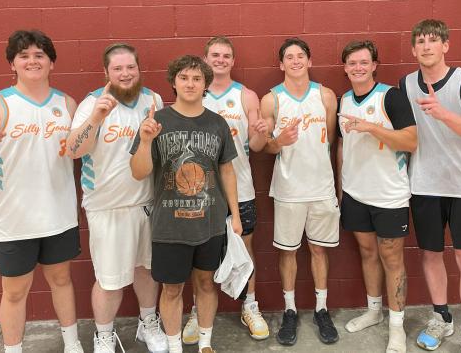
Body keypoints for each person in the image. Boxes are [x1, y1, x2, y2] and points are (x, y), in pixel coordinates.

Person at [0, 30, 83, 353]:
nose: (32, 61)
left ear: (51, 63)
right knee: (15, 291)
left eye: (39, 55)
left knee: (61, 281)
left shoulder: (66, 104)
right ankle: (12, 349)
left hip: (60, 215)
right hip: (15, 220)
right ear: (12, 64)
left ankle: (72, 345)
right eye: (24, 55)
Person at [130, 55, 242, 353]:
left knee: (206, 284)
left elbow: (227, 170)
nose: (190, 83)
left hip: (210, 221)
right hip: (169, 224)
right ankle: (173, 345)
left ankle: (205, 343)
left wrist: (235, 214)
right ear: (174, 82)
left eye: (196, 79)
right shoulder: (156, 122)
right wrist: (144, 142)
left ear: (206, 84)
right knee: (172, 288)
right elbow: (138, 172)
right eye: (184, 78)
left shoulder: (217, 123)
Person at [399, 19, 461, 353]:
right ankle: (441, 318)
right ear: (413, 49)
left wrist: (443, 114)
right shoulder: (407, 83)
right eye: (420, 42)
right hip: (424, 184)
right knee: (431, 254)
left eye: (433, 40)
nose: (426, 46)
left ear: (446, 45)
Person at [66, 43, 167, 353]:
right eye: (118, 68)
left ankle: (148, 323)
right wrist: (96, 117)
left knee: (147, 271)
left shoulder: (153, 99)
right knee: (110, 281)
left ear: (139, 68)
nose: (125, 74)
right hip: (106, 205)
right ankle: (104, 334)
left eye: (130, 67)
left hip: (145, 203)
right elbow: (73, 150)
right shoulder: (92, 103)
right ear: (106, 72)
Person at [179, 36, 269, 344]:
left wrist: (260, 133)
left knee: (245, 249)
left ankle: (250, 306)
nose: (220, 59)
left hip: (240, 189)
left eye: (226, 55)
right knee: (198, 255)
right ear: (205, 59)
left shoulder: (246, 96)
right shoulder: (192, 94)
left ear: (233, 61)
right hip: (199, 194)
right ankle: (196, 311)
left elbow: (256, 146)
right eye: (215, 55)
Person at [336, 40, 417, 353]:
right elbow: (342, 146)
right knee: (367, 253)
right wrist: (342, 188)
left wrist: (372, 127)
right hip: (356, 192)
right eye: (352, 63)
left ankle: (397, 327)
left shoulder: (390, 96)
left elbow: (411, 141)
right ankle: (373, 311)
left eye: (363, 62)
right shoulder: (343, 100)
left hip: (389, 196)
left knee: (392, 258)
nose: (358, 68)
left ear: (373, 65)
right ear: (345, 68)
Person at [260, 37, 339, 346]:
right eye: (289, 57)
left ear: (309, 61)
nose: (295, 61)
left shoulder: (326, 95)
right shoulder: (272, 100)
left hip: (321, 187)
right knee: (288, 251)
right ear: (281, 64)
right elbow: (266, 146)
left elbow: (329, 139)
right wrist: (280, 141)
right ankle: (290, 309)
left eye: (300, 56)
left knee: (319, 249)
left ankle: (321, 308)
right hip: (289, 189)